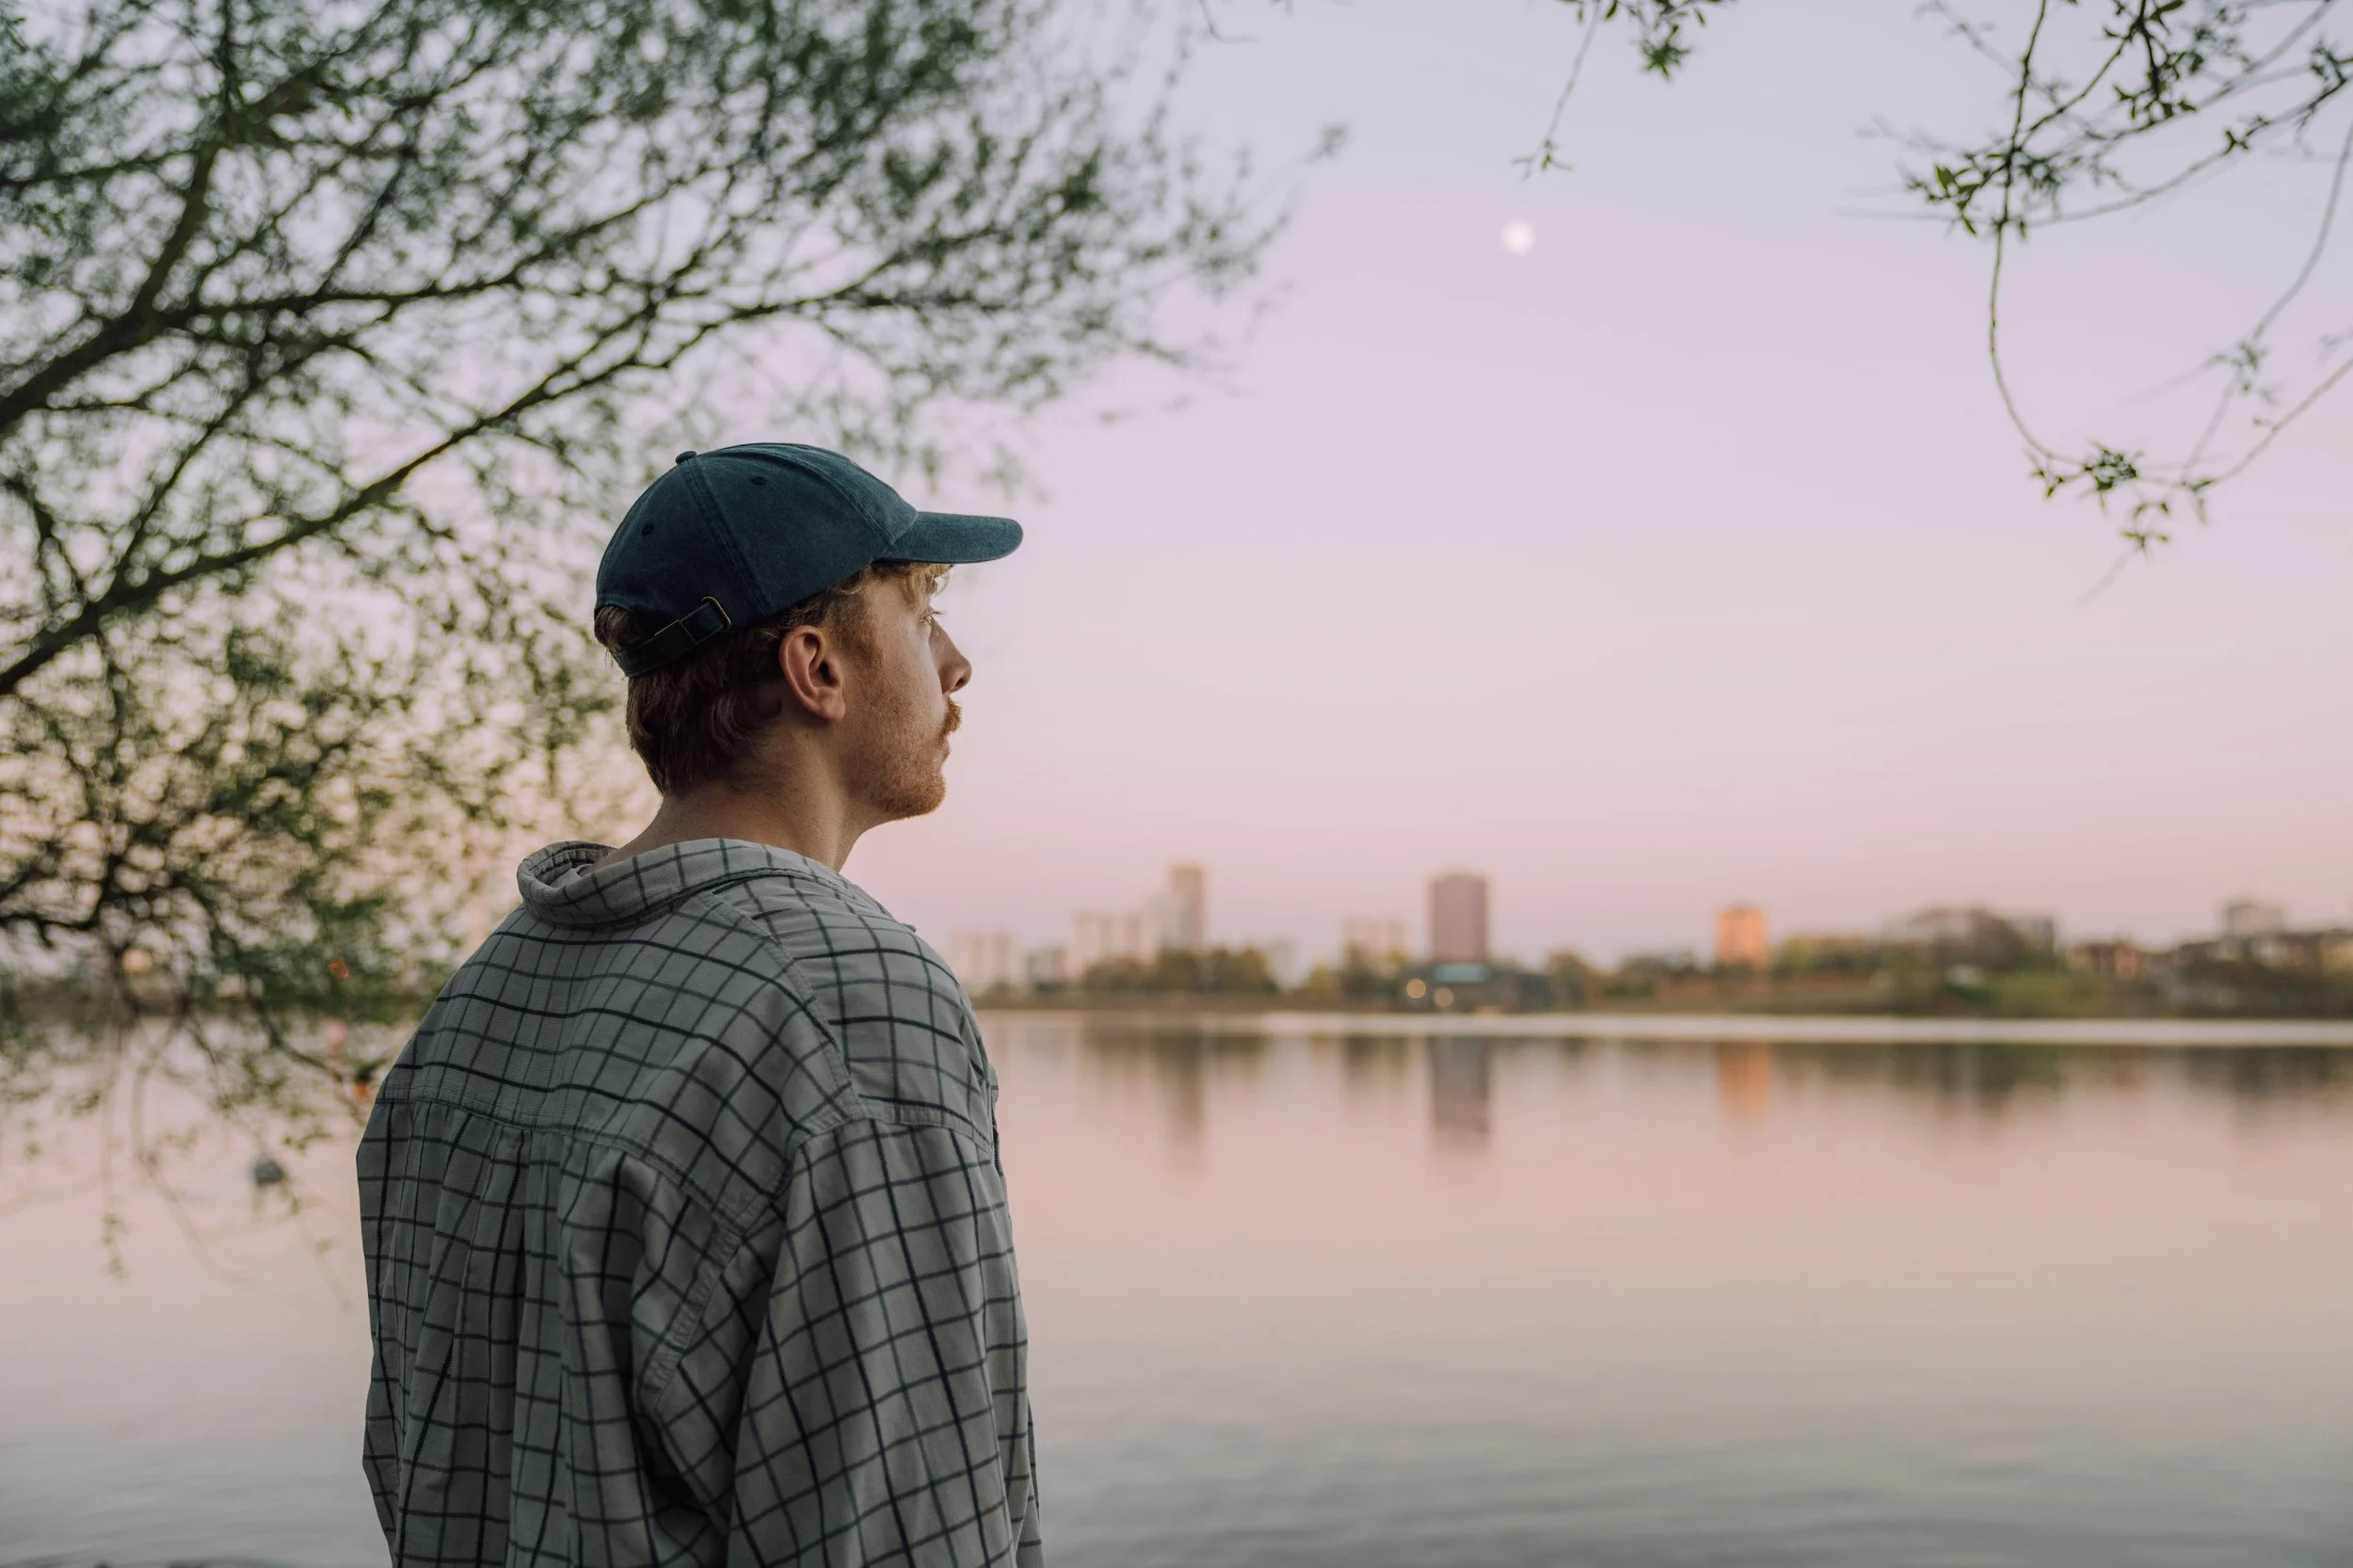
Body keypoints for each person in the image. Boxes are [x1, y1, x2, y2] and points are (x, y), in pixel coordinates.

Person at [358, 444, 1040, 1567]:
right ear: (817, 666)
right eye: (920, 608)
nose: (956, 662)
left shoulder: (484, 994)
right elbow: (903, 1536)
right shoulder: (849, 1005)